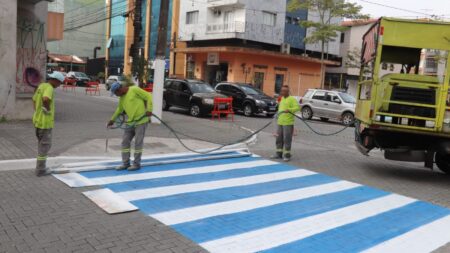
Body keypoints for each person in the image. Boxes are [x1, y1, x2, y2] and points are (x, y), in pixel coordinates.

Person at [107, 82, 153, 171]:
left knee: (138, 142)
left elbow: (148, 96)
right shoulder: (122, 97)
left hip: (141, 121)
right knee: (125, 141)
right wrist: (112, 120)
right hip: (130, 122)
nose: (116, 95)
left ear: (119, 90)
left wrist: (149, 109)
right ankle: (125, 163)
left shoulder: (134, 89)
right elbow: (119, 109)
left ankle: (136, 164)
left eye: (116, 93)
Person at [32, 71, 64, 176]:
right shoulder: (49, 88)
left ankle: (40, 167)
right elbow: (46, 99)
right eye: (59, 83)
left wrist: (38, 111)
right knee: (45, 147)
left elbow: (34, 100)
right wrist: (48, 109)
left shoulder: (41, 86)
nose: (59, 85)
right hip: (45, 123)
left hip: (37, 121)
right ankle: (40, 170)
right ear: (55, 80)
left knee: (41, 145)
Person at [273, 85, 300, 162]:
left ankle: (287, 155)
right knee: (278, 138)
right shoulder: (281, 99)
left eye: (284, 91)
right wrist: (277, 115)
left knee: (287, 139)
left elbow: (297, 108)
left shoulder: (292, 99)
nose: (282, 92)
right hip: (280, 122)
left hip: (288, 123)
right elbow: (280, 109)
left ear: (288, 92)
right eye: (282, 91)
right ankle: (278, 154)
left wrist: (290, 109)